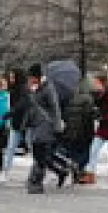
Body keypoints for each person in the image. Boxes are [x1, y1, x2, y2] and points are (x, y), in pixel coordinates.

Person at [24, 63, 69, 194]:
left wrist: (57, 127)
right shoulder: (35, 88)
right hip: (35, 124)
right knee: (42, 155)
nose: (29, 79)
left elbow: (55, 108)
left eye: (31, 77)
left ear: (37, 77)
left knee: (40, 154)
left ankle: (36, 182)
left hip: (46, 126)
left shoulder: (48, 88)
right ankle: (61, 171)